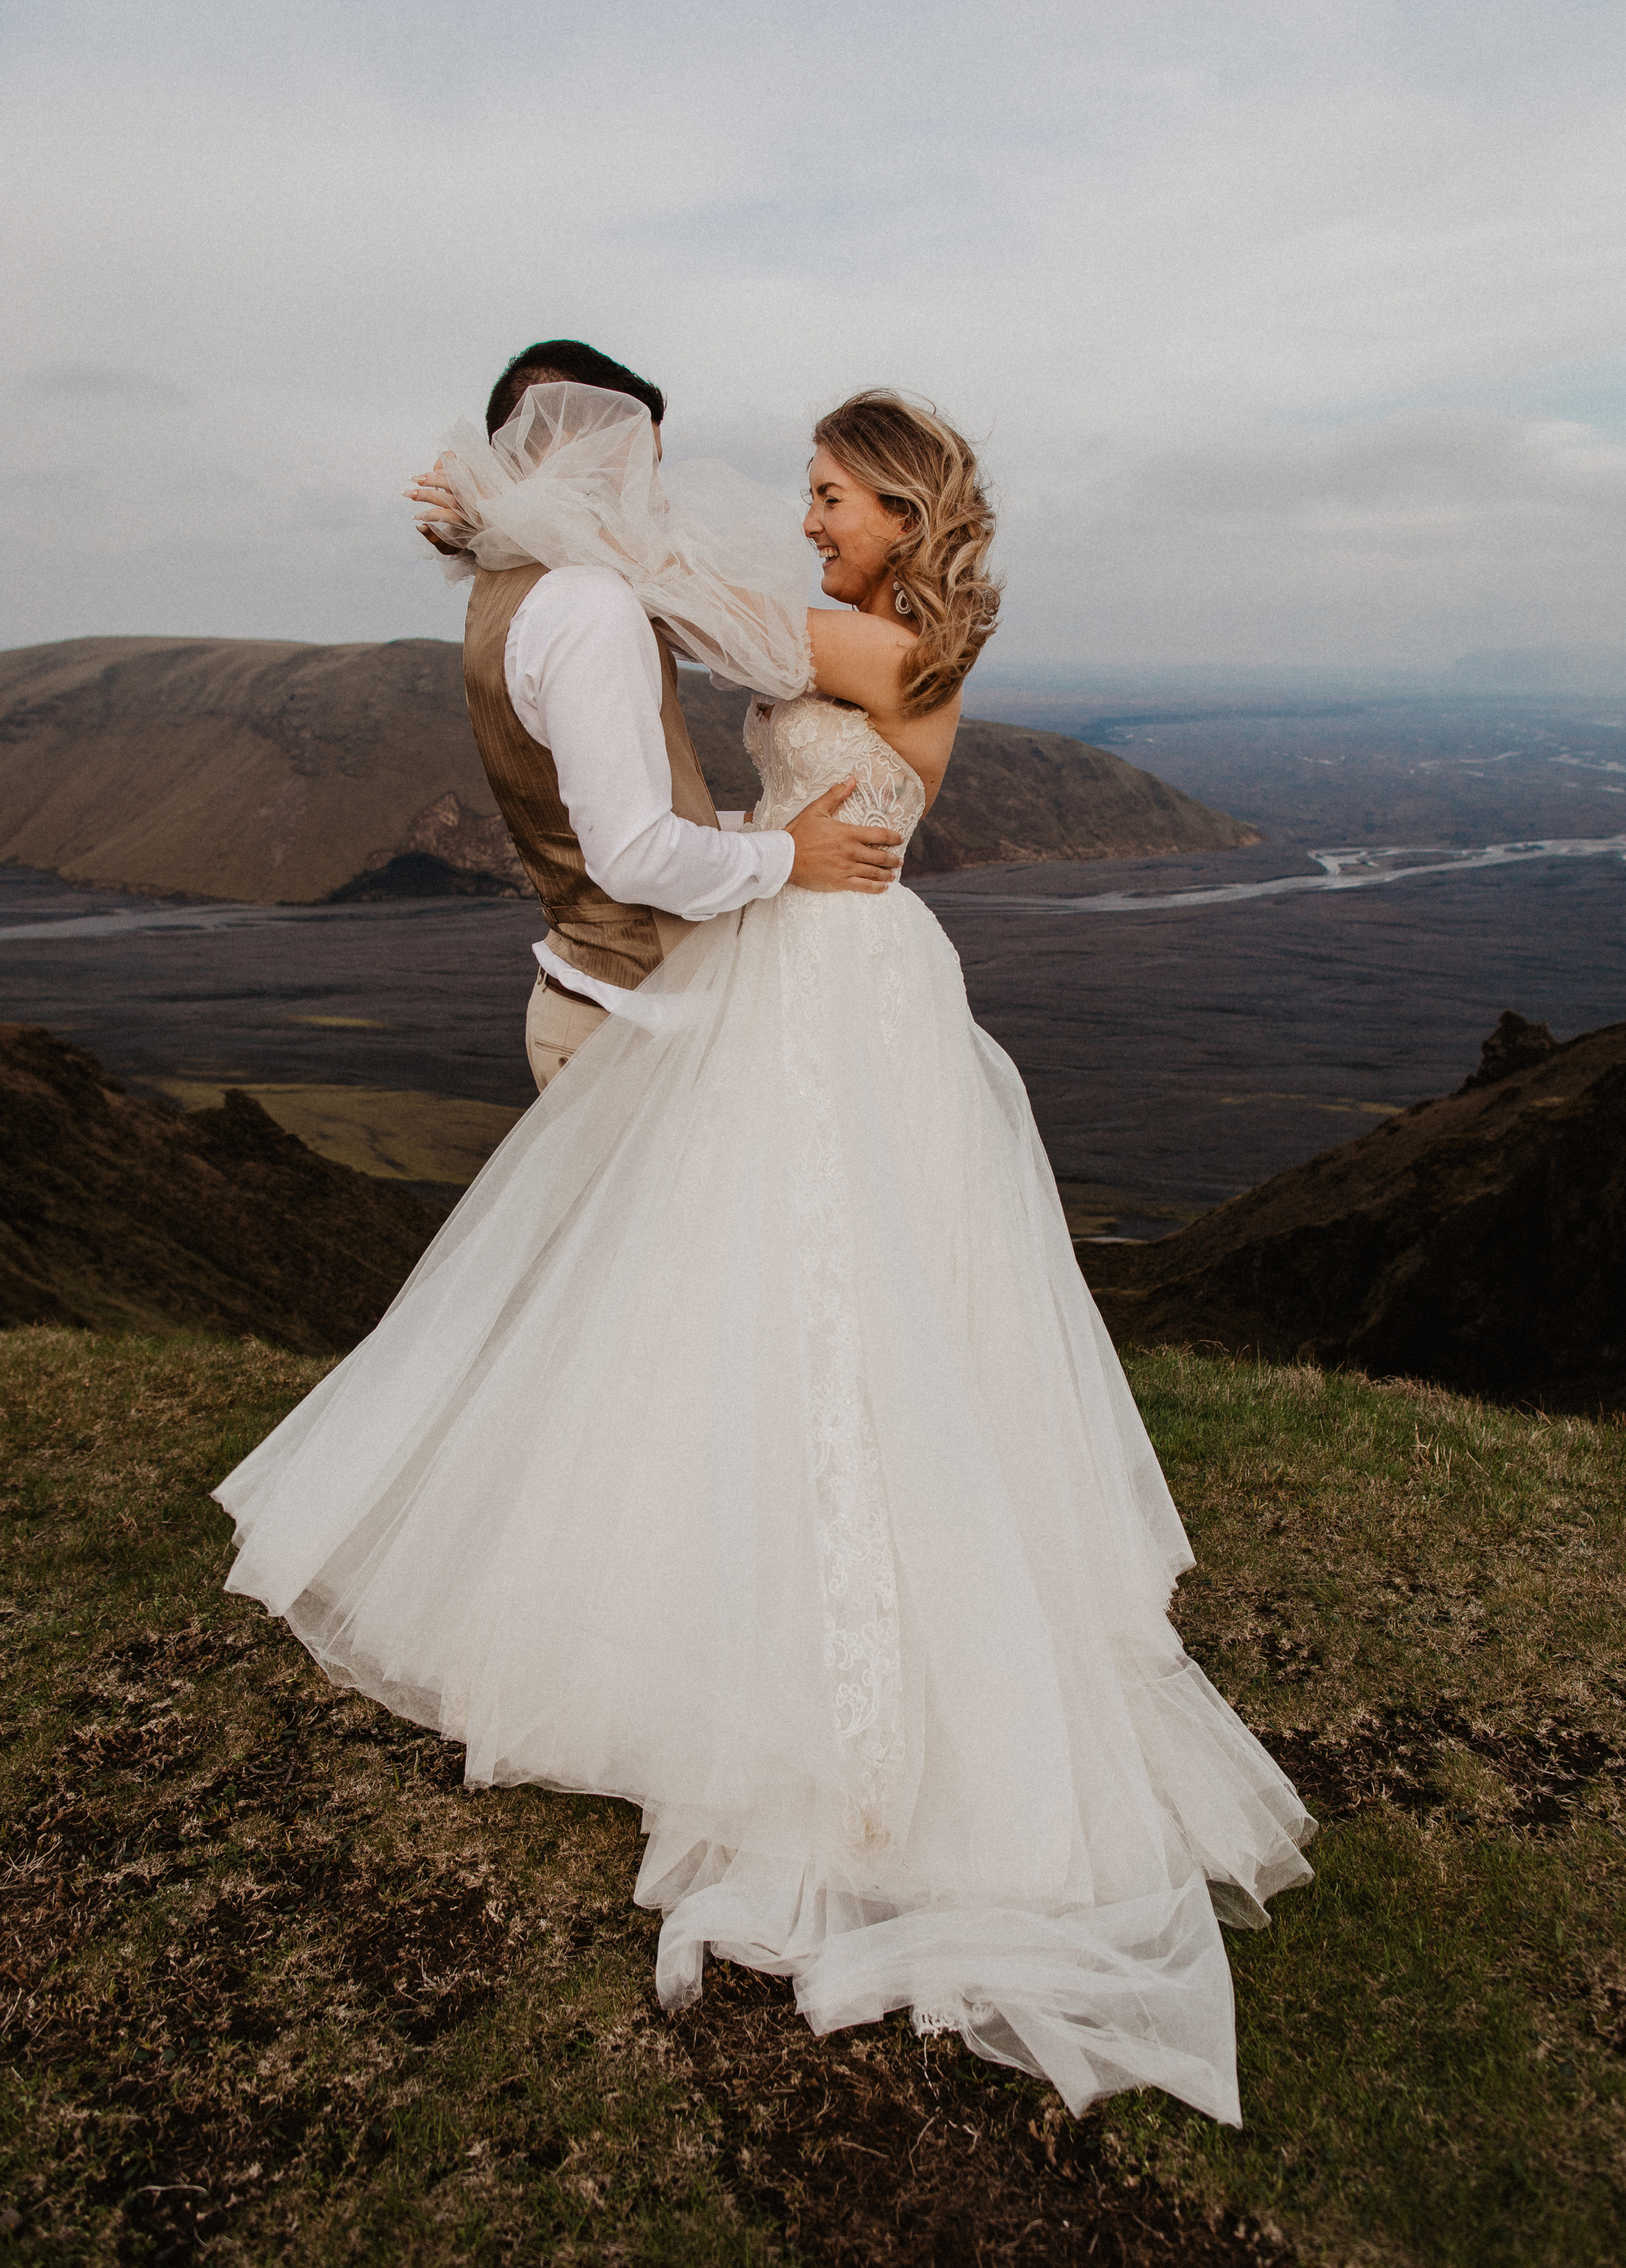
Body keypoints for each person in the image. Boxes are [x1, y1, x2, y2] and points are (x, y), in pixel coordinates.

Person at [217, 382, 1312, 2126]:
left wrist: (515, 502)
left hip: (850, 985)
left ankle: (852, 1689)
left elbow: (676, 584)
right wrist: (490, 530)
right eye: (802, 494)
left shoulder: (906, 661)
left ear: (901, 512)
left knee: (856, 1312)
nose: (805, 518)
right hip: (785, 966)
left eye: (827, 495)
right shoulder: (859, 626)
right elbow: (668, 594)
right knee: (732, 1302)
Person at [408, 339, 903, 1089]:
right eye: (646, 463)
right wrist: (788, 855)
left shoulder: (507, 587)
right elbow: (634, 854)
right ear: (582, 448)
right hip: (631, 1032)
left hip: (599, 1005)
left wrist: (503, 520)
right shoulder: (588, 603)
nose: (657, 493)